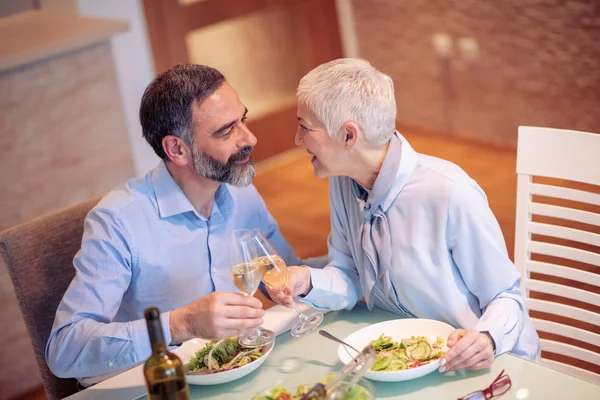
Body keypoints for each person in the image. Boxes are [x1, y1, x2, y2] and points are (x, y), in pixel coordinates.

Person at [46, 64, 325, 386]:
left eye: (243, 120)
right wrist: (181, 324)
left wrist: (362, 254)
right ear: (177, 149)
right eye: (226, 131)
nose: (250, 138)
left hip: (233, 373)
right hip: (156, 387)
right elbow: (66, 350)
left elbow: (286, 275)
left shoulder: (239, 189)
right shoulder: (117, 222)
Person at [270, 58, 541, 372]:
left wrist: (487, 338)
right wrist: (308, 281)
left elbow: (506, 295)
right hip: (410, 360)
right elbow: (352, 275)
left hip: (484, 365)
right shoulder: (343, 184)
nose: (297, 139)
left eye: (305, 127)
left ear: (348, 136)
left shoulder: (450, 193)